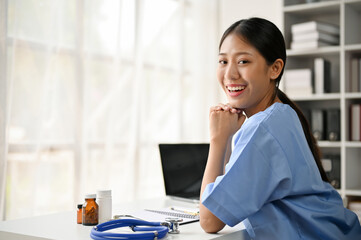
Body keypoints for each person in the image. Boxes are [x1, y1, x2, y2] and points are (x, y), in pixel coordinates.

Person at [199, 17, 361, 239]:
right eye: (223, 61)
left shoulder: (262, 128)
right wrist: (227, 137)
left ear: (274, 68)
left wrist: (217, 140)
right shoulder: (282, 114)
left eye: (243, 61)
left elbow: (209, 220)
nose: (230, 74)